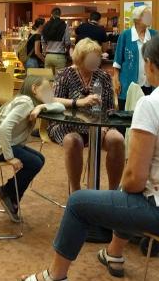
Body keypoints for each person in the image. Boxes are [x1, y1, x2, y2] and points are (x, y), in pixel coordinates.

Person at [20, 33, 159, 281]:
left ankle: (54, 278)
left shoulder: (152, 104)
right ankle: (114, 253)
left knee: (79, 203)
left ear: (150, 65)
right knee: (127, 191)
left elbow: (134, 180)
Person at [0, 76, 61, 223]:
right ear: (34, 89)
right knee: (35, 162)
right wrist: (9, 157)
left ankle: (9, 194)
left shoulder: (32, 102)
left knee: (40, 159)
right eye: (47, 89)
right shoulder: (26, 103)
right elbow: (4, 128)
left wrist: (41, 107)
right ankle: (8, 194)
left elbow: (60, 106)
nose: (50, 93)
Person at [49, 38, 125, 192]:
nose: (95, 61)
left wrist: (105, 126)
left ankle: (113, 193)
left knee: (117, 139)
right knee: (73, 141)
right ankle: (76, 192)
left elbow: (110, 109)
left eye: (97, 57)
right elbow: (52, 100)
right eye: (91, 57)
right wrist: (79, 102)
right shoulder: (65, 74)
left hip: (98, 125)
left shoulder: (103, 76)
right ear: (80, 58)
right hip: (67, 124)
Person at [113, 5, 158, 110]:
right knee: (126, 114)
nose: (150, 18)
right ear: (137, 19)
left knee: (147, 113)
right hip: (128, 83)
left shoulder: (155, 35)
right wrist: (116, 80)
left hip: (149, 83)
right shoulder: (126, 35)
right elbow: (117, 61)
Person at [42, 8, 71, 75]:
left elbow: (43, 40)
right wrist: (67, 52)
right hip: (59, 56)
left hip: (48, 56)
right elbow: (67, 42)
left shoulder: (46, 25)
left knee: (48, 79)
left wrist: (44, 52)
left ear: (51, 14)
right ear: (60, 14)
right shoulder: (64, 25)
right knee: (59, 79)